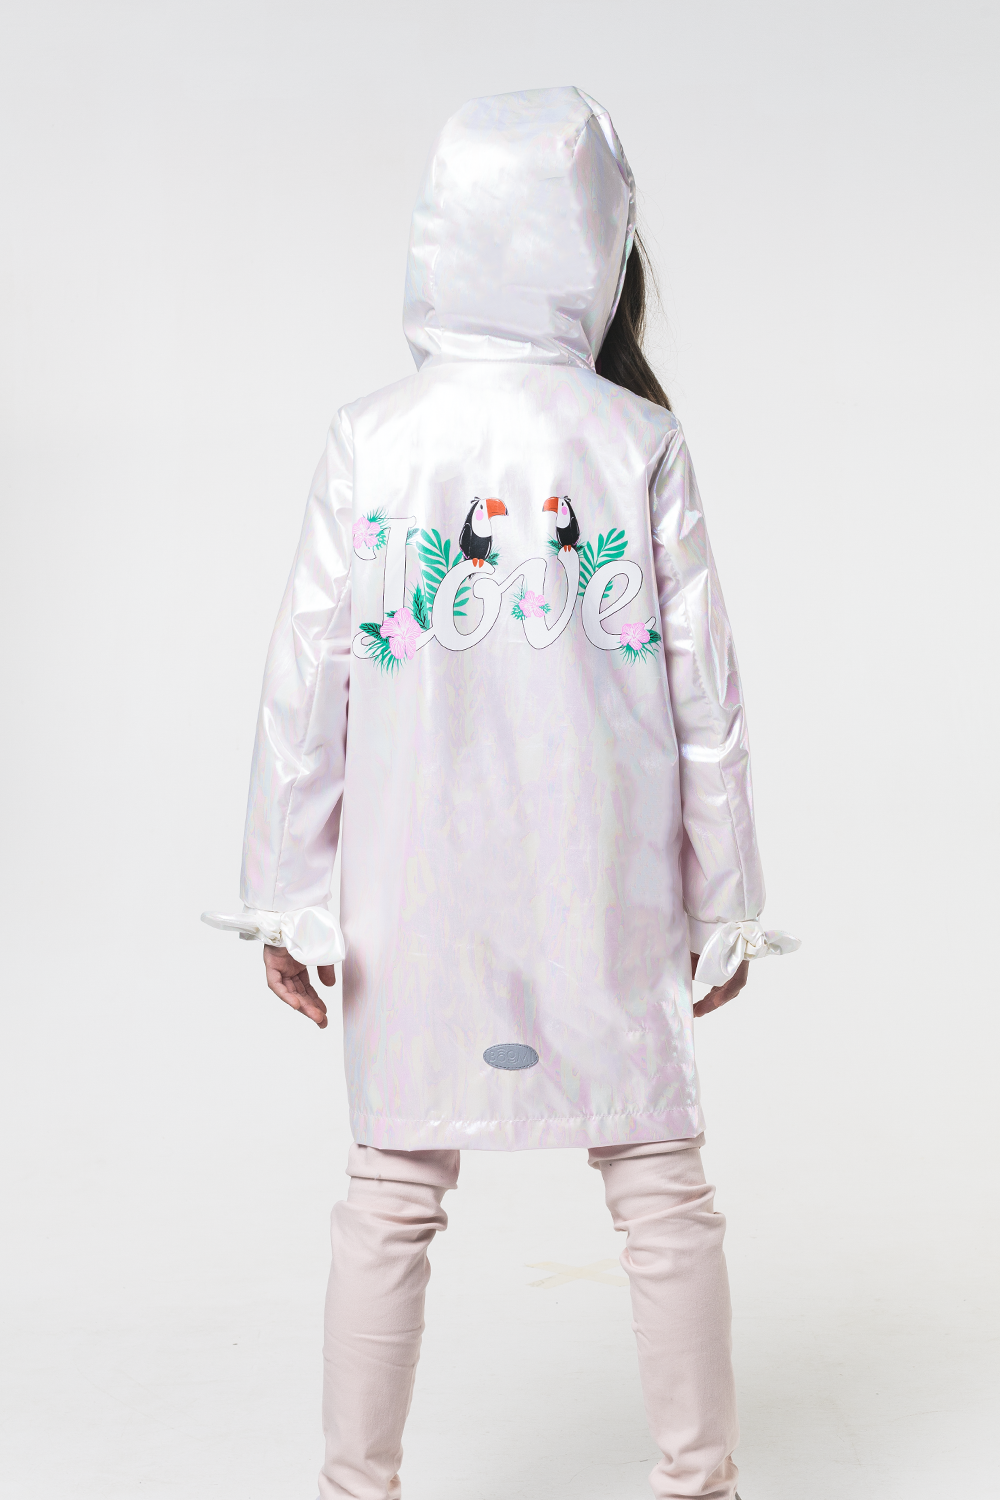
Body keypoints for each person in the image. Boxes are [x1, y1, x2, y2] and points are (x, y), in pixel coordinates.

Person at [203, 85, 798, 1500]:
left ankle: (355, 1487)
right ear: (598, 244)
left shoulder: (376, 436)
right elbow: (706, 697)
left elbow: (308, 682)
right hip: (606, 882)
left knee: (390, 1195)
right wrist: (723, 901)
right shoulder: (634, 439)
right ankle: (700, 1482)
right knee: (662, 1191)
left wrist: (290, 896)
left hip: (416, 889)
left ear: (440, 234)